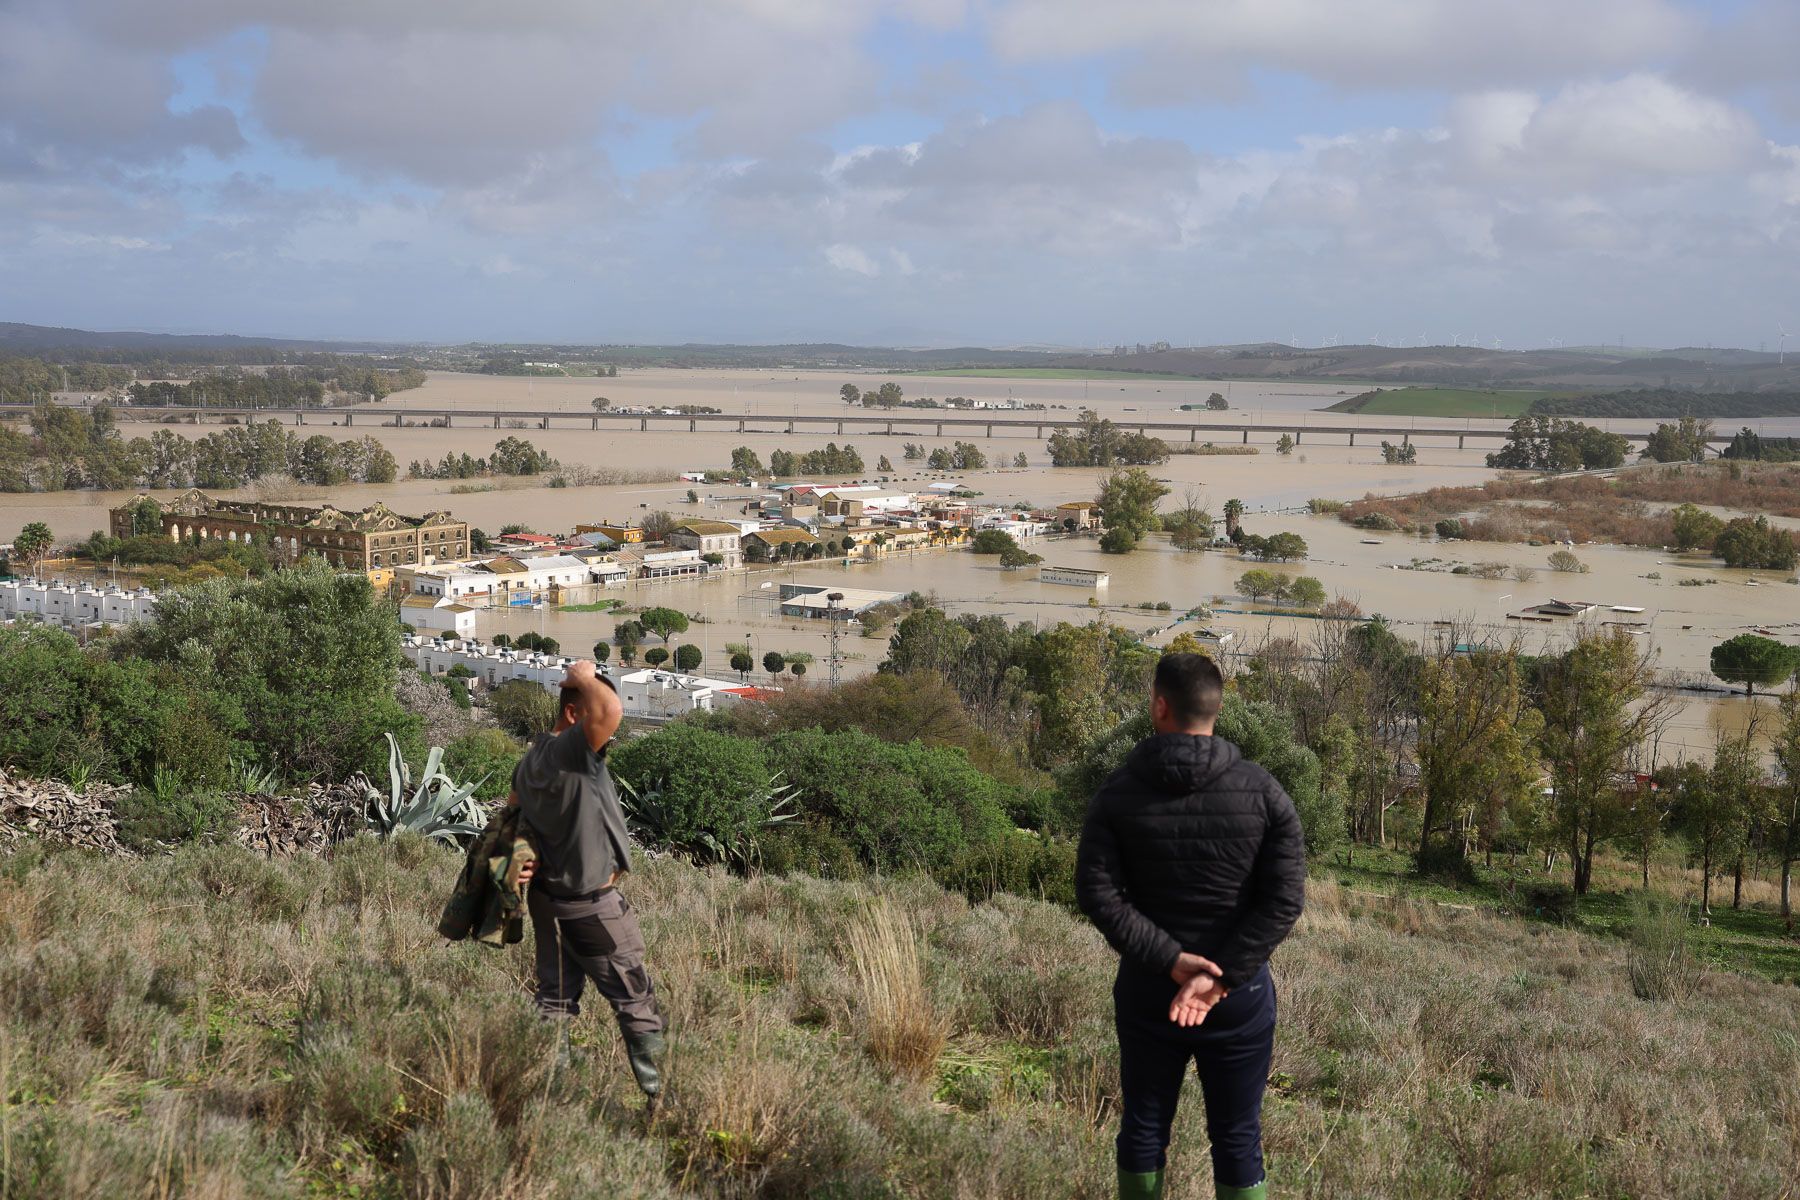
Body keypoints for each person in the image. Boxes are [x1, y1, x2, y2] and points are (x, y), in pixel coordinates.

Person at [1076, 652, 1306, 1200]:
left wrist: (1172, 961)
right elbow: (1284, 899)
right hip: (1240, 999)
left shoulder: (1118, 792)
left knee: (1144, 1128)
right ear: (1216, 710)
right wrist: (1221, 977)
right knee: (1237, 1137)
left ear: (1159, 706)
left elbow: (1097, 893)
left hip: (1150, 993)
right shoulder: (1264, 792)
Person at [509, 659, 666, 1107]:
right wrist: (582, 675)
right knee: (634, 998)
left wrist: (529, 853)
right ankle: (662, 1097)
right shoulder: (570, 751)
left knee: (555, 1000)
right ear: (576, 714)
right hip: (590, 907)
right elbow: (610, 711)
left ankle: (548, 1095)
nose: (609, 736)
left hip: (549, 902)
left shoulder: (532, 758)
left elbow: (513, 809)